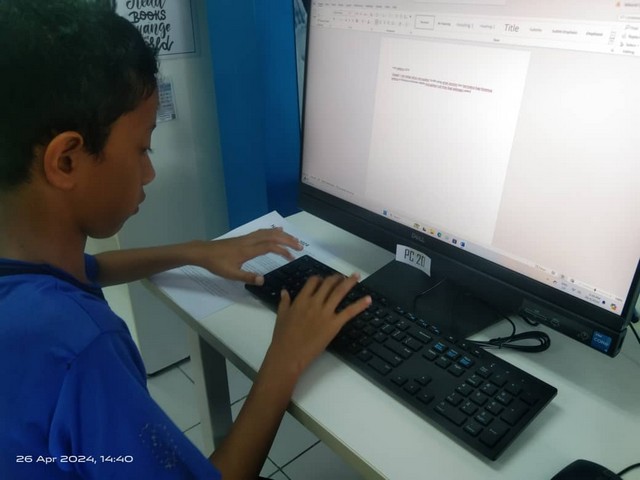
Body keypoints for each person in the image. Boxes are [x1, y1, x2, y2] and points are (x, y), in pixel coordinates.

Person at [0, 1, 371, 479]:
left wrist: (195, 251)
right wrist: (285, 358)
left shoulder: (23, 271)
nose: (149, 172)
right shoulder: (82, 345)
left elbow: (90, 271)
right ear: (66, 160)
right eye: (143, 147)